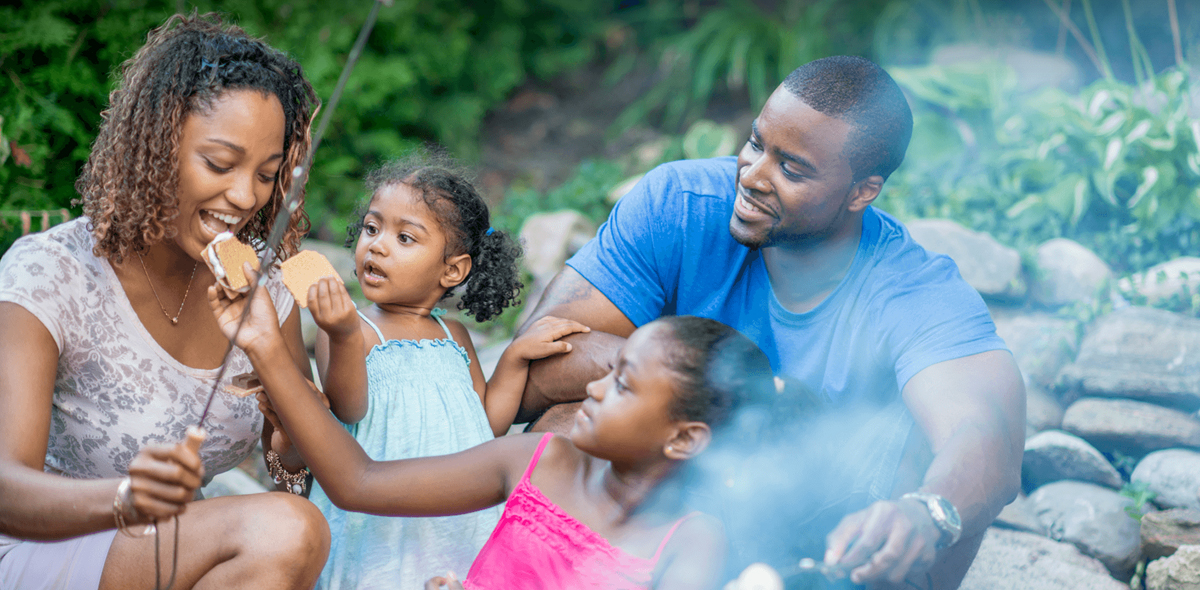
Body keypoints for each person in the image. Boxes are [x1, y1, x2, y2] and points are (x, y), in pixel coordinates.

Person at [514, 55, 1026, 589]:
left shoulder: (910, 288)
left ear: (862, 192)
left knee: (933, 482)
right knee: (576, 421)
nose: (752, 176)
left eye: (792, 169)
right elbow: (536, 366)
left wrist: (926, 513)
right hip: (681, 479)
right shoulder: (680, 205)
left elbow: (986, 436)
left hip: (821, 525)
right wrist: (713, 386)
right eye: (757, 144)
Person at [0, 14, 330, 589]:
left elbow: (292, 479)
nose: (245, 196)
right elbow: (6, 489)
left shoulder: (265, 287)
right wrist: (125, 498)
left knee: (291, 529)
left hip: (173, 555)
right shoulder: (51, 272)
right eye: (220, 165)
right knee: (285, 531)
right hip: (41, 549)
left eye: (267, 174)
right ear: (153, 147)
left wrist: (290, 449)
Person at [214, 266, 741, 589]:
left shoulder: (691, 541)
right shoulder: (538, 460)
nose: (595, 389)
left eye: (623, 386)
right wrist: (266, 349)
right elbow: (359, 483)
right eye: (610, 374)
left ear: (685, 437)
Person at [300, 155, 590, 589]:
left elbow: (485, 424)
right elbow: (349, 408)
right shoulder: (353, 328)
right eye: (372, 228)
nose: (376, 246)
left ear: (452, 269)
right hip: (383, 516)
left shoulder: (453, 334)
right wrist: (340, 335)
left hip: (456, 515)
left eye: (404, 238)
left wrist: (514, 358)